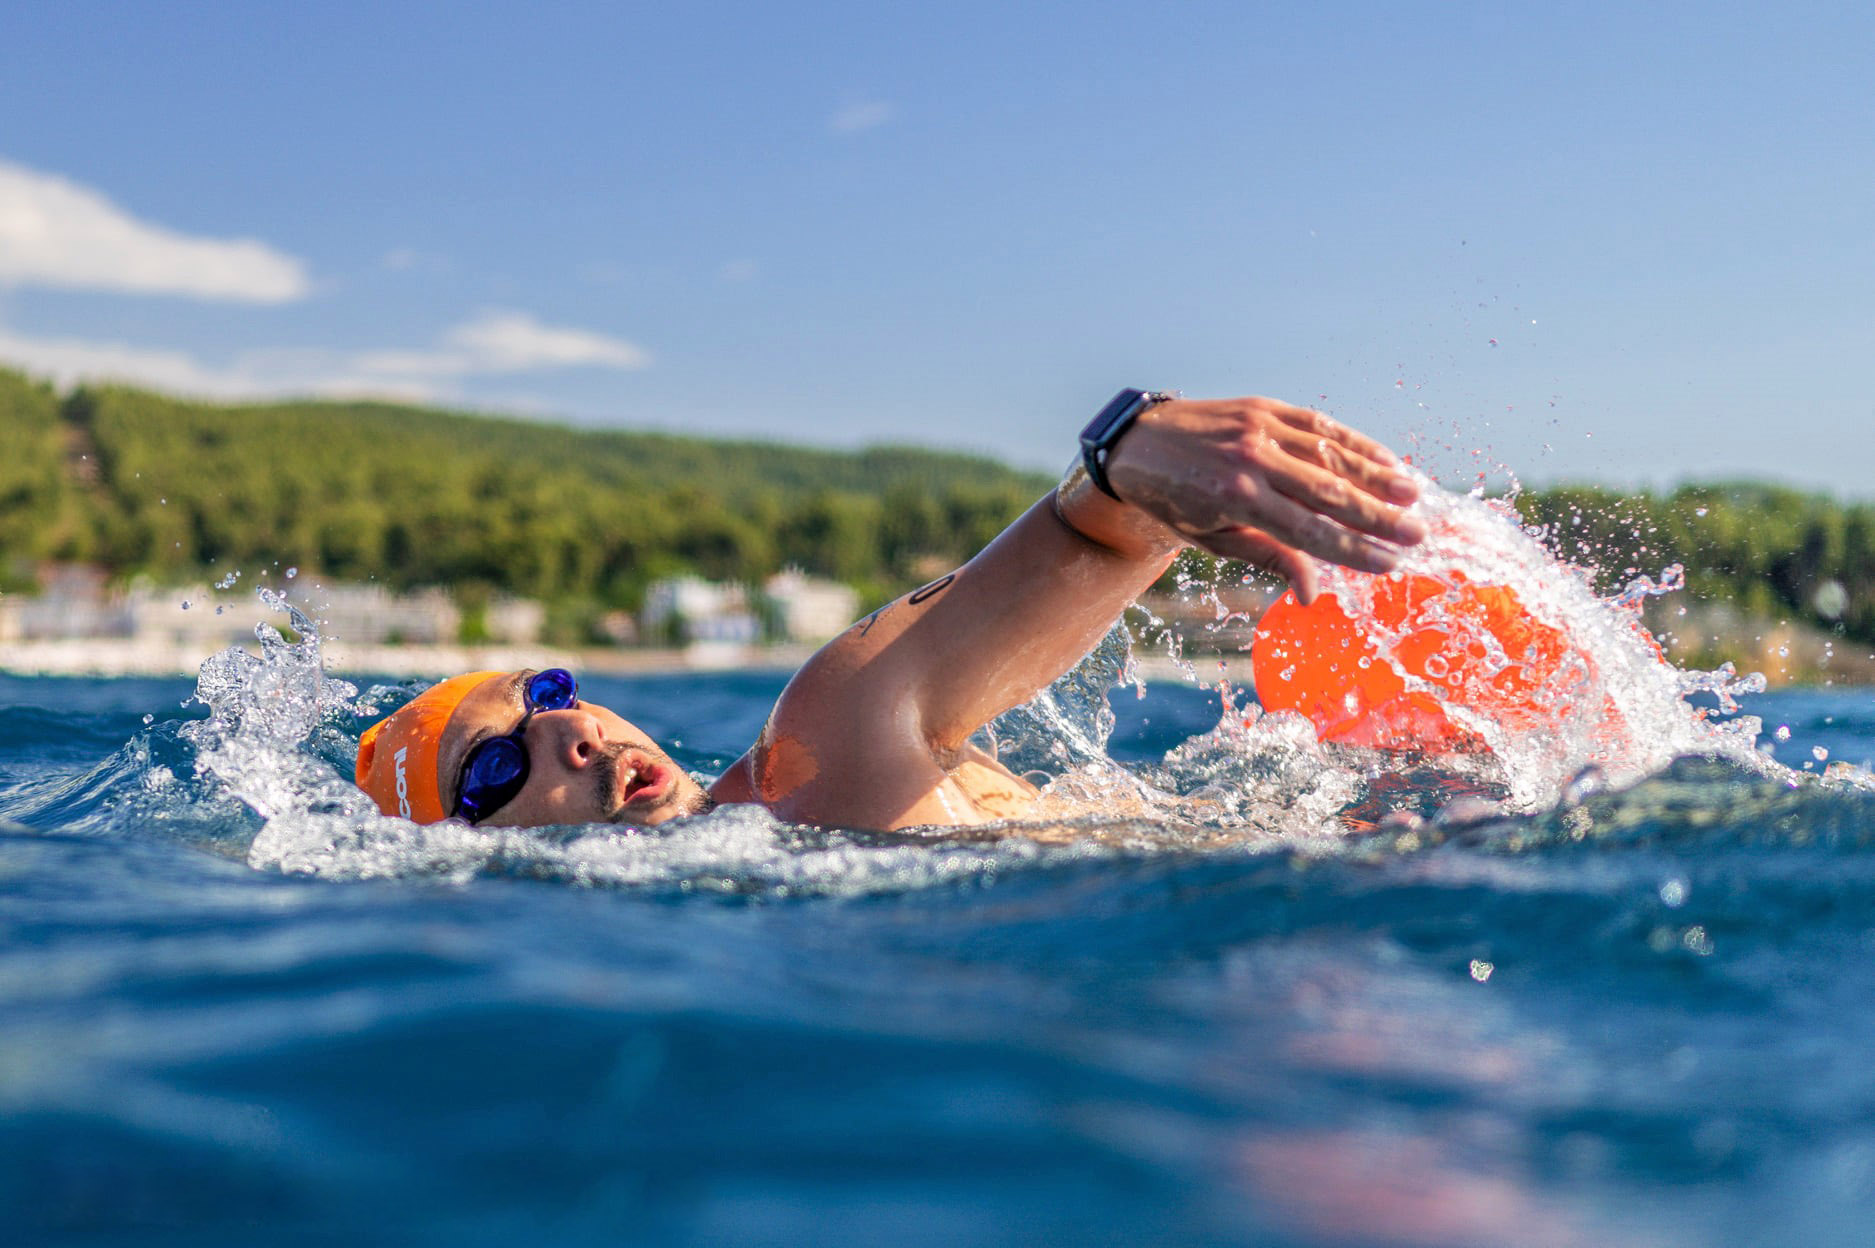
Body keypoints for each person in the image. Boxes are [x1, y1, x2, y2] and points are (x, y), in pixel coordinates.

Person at [355, 392, 1427, 832]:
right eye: (496, 767)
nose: (569, 732)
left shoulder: (813, 756)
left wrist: (1131, 448)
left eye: (544, 694)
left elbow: (1105, 529)